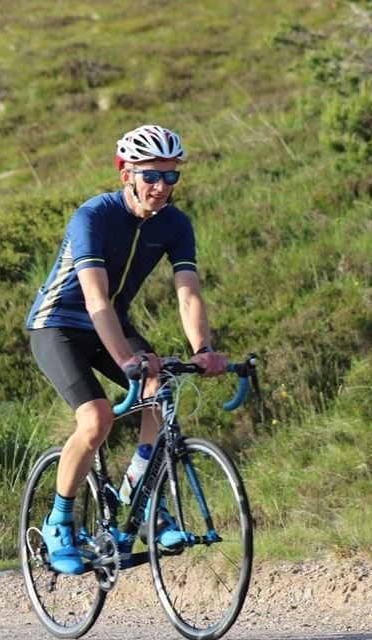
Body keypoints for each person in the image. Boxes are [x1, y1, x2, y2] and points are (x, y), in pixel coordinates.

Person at [26, 125, 230, 575]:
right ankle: (58, 520)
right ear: (126, 174)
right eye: (152, 176)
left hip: (111, 324)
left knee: (161, 390)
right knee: (96, 417)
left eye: (171, 177)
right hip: (58, 325)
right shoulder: (92, 217)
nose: (162, 187)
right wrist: (125, 360)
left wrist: (204, 348)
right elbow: (96, 300)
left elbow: (188, 292)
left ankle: (143, 499)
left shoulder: (176, 223)